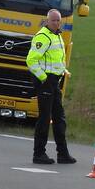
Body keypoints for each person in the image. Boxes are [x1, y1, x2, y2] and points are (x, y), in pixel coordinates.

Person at [25, 9, 75, 165]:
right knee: (45, 119)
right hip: (46, 82)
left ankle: (63, 153)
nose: (57, 23)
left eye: (59, 20)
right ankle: (39, 154)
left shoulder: (57, 35)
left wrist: (64, 71)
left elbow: (57, 60)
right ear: (47, 21)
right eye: (54, 20)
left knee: (59, 118)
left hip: (55, 82)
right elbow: (31, 60)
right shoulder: (43, 36)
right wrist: (43, 78)